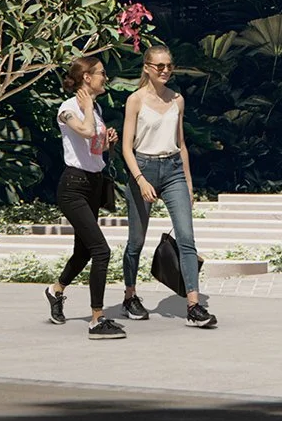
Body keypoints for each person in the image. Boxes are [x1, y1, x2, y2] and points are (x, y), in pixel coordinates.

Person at [119, 42, 215, 327]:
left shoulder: (177, 100)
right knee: (135, 241)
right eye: (159, 66)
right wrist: (140, 179)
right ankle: (130, 296)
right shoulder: (135, 100)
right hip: (143, 167)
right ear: (147, 68)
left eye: (169, 66)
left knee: (186, 239)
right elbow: (126, 148)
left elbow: (182, 144)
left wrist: (188, 183)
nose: (165, 71)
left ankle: (194, 306)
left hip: (172, 168)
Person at [45, 55, 124, 339]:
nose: (105, 77)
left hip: (93, 184)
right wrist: (89, 110)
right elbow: (86, 130)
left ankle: (56, 290)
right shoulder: (67, 109)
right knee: (101, 250)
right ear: (87, 78)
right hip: (73, 187)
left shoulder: (96, 108)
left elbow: (95, 146)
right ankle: (97, 319)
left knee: (84, 251)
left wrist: (108, 140)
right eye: (101, 73)